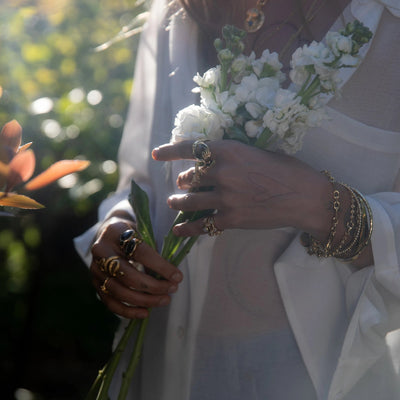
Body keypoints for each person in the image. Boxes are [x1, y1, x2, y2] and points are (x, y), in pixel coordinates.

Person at [74, 0, 400, 398]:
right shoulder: (179, 11)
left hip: (317, 381)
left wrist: (322, 204)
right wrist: (119, 229)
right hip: (155, 373)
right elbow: (141, 176)